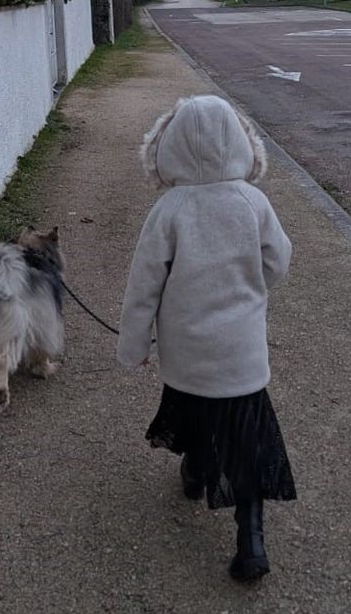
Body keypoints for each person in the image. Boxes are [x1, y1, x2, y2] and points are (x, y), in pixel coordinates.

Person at [117, 95, 296, 581]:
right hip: (241, 352)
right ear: (240, 142)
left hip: (188, 349)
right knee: (246, 441)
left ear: (168, 146)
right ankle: (251, 541)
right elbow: (278, 261)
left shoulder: (169, 210)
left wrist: (135, 345)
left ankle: (196, 473)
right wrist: (252, 288)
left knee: (195, 409)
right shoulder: (252, 202)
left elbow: (143, 286)